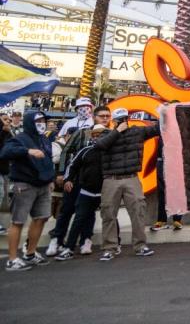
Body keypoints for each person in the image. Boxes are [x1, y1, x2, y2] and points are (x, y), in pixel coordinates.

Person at [46, 105, 112, 256]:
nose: (105, 118)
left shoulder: (112, 134)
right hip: (75, 180)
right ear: (94, 117)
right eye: (102, 116)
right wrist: (62, 173)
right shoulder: (82, 133)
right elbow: (66, 151)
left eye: (107, 116)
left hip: (95, 182)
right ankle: (57, 239)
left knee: (89, 213)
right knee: (67, 210)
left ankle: (86, 240)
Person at [95, 107, 159, 261]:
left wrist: (166, 112)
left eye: (125, 119)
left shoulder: (137, 132)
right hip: (111, 178)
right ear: (114, 121)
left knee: (138, 211)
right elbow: (100, 146)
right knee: (109, 213)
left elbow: (157, 129)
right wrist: (117, 131)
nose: (123, 121)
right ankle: (109, 248)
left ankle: (140, 245)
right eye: (120, 119)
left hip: (131, 177)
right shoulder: (105, 133)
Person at [0, 109, 56, 271]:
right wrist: (27, 151)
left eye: (43, 121)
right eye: (38, 121)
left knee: (42, 217)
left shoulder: (44, 140)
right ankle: (12, 259)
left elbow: (48, 160)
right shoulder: (19, 139)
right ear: (30, 122)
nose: (42, 124)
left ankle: (30, 253)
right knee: (18, 221)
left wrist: (50, 178)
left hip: (43, 185)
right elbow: (5, 152)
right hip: (24, 185)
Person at [55, 124, 108, 260]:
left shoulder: (111, 151)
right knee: (79, 218)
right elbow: (72, 165)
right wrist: (68, 179)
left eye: (101, 135)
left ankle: (114, 245)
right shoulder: (85, 150)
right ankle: (68, 248)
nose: (97, 137)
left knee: (110, 218)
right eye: (95, 135)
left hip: (105, 191)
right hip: (87, 191)